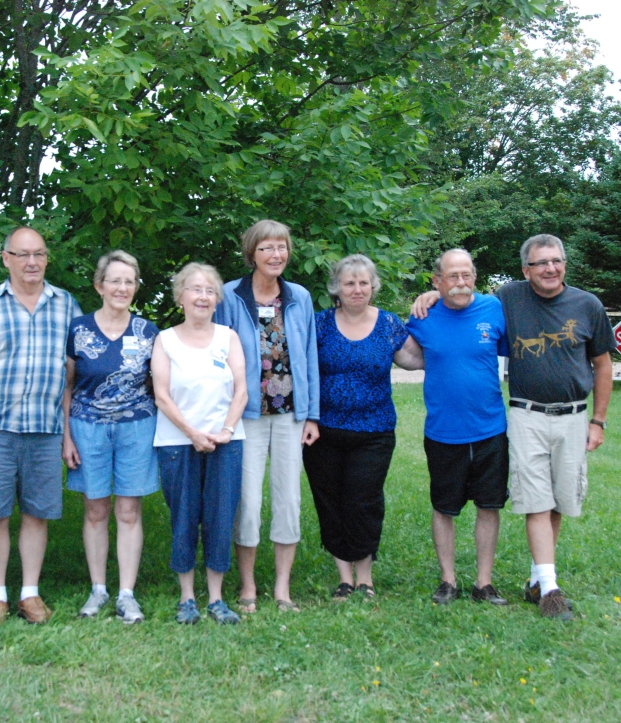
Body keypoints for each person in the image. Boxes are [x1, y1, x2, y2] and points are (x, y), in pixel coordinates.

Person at [411, 234, 615, 620]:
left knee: (526, 503)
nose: (550, 268)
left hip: (531, 422)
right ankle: (470, 581)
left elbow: (600, 363)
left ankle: (513, 581)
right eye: (540, 263)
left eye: (556, 261)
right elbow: (443, 315)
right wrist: (431, 295)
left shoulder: (561, 305)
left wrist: (598, 421)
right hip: (485, 423)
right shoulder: (469, 306)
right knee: (481, 504)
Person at [0, 227, 81, 626]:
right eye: (23, 254)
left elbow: (71, 374)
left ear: (46, 258)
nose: (32, 262)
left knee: (36, 513)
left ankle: (30, 593)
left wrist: (67, 432)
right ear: (6, 259)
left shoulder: (66, 305)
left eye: (39, 254)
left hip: (45, 427)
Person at [302, 254, 423, 602]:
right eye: (349, 283)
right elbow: (301, 367)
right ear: (336, 288)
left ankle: (365, 578)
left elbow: (416, 358)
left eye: (363, 283)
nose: (357, 289)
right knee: (330, 501)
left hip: (374, 432)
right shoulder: (319, 324)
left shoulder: (388, 324)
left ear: (373, 287)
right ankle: (344, 578)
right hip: (322, 432)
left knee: (363, 502)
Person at [216, 220, 320, 614]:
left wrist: (312, 415)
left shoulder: (299, 297)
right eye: (267, 248)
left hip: (291, 416)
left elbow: (309, 356)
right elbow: (218, 354)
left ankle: (282, 588)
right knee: (247, 501)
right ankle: (247, 586)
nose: (276, 255)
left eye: (282, 247)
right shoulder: (230, 295)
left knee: (288, 499)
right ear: (252, 253)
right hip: (246, 415)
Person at [405, 249, 510, 606]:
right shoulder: (422, 315)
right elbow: (402, 353)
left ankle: (484, 582)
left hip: (490, 428)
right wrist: (428, 297)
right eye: (452, 276)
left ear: (475, 277)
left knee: (489, 505)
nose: (461, 282)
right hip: (443, 431)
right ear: (437, 281)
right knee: (443, 507)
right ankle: (448, 580)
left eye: (467, 275)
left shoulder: (493, 309)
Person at [62, 251, 159, 624]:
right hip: (87, 429)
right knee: (95, 510)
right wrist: (66, 437)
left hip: (137, 428)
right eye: (115, 280)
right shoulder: (78, 329)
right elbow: (67, 387)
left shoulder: (148, 332)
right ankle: (98, 589)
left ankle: (126, 595)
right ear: (99, 286)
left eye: (129, 281)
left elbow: (158, 385)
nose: (122, 287)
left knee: (129, 511)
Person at [151, 262, 248, 625]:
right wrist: (192, 434)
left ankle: (217, 598)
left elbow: (242, 389)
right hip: (177, 443)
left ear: (217, 299)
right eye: (195, 289)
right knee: (184, 516)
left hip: (226, 442)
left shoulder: (228, 337)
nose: (203, 296)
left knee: (221, 517)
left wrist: (226, 430)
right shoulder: (165, 340)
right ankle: (187, 597)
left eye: (210, 290)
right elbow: (162, 396)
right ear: (181, 297)